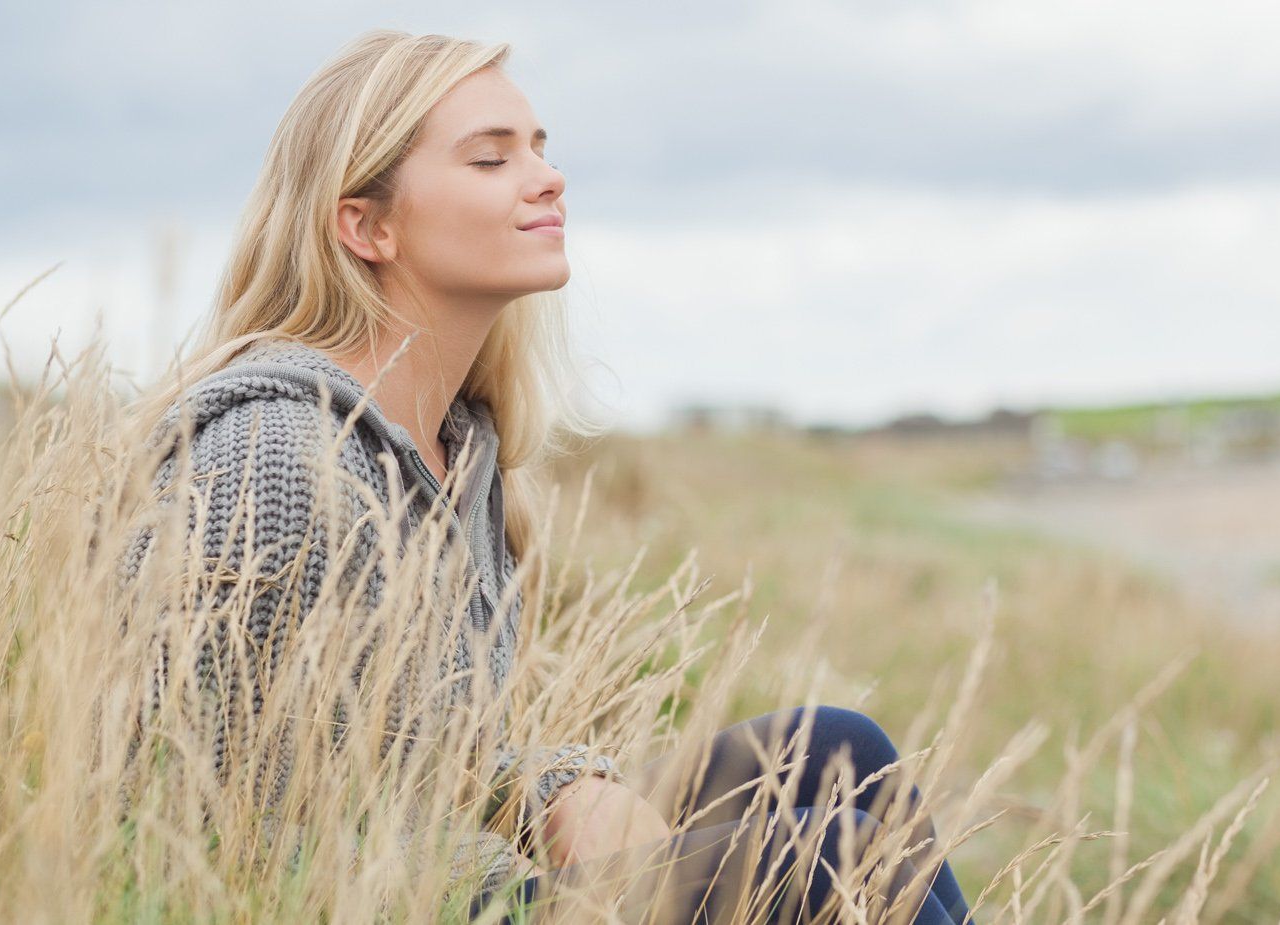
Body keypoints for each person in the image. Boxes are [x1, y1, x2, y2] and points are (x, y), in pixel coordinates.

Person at [119, 28, 971, 924]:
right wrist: (520, 867)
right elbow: (222, 811)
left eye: (539, 149)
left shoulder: (453, 448)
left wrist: (556, 786)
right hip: (367, 901)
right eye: (491, 159)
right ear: (366, 225)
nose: (546, 177)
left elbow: (415, 760)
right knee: (822, 854)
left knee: (838, 750)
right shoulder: (277, 456)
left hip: (439, 869)